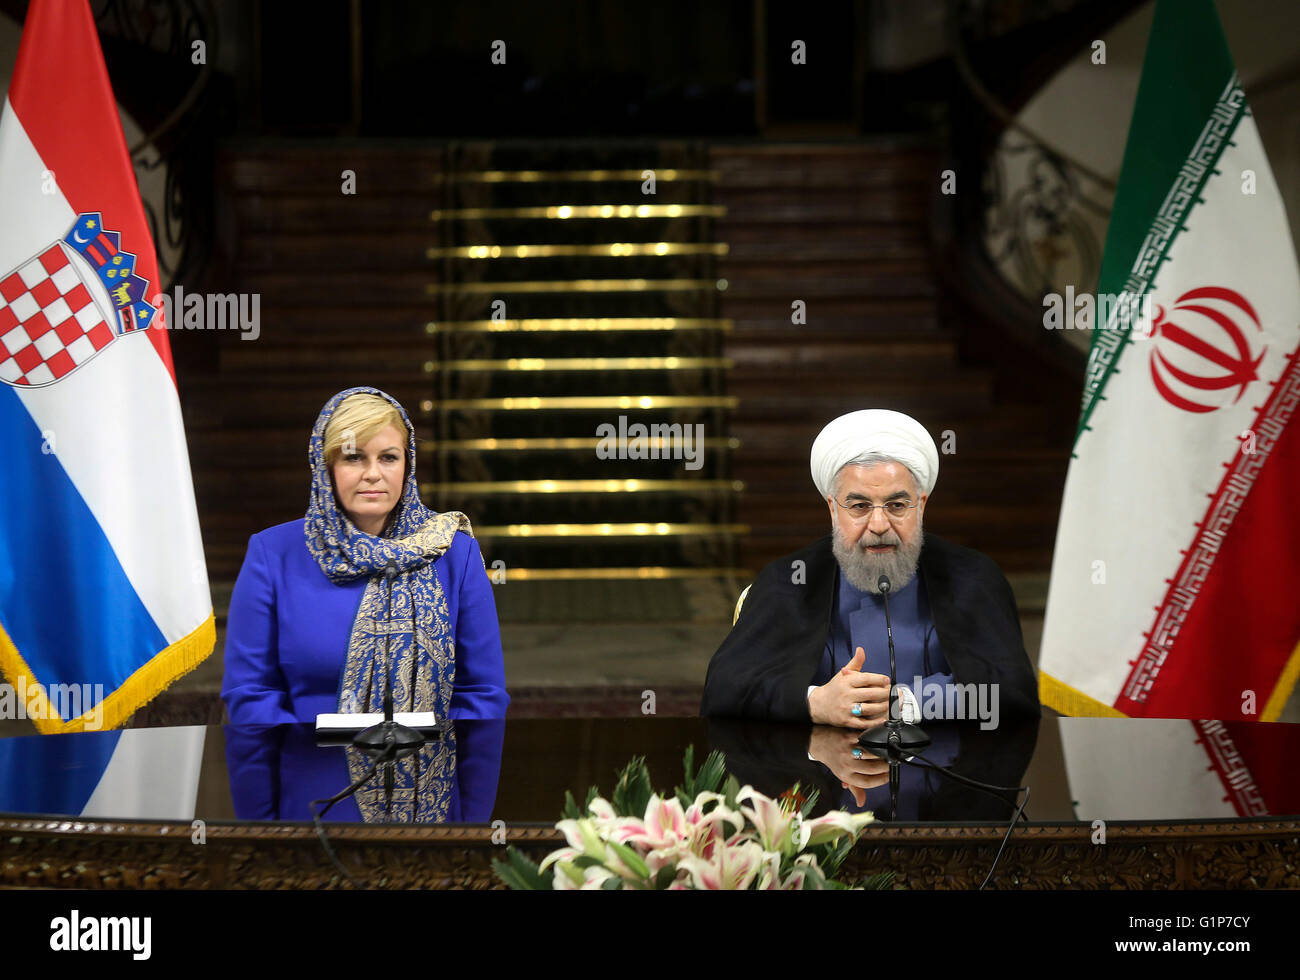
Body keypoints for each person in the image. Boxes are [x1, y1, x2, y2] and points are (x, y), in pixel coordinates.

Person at [701, 409, 1039, 726]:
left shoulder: (972, 577)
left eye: (896, 505)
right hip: (824, 777)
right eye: (859, 506)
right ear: (833, 509)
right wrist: (815, 702)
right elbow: (724, 690)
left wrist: (908, 702)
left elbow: (1015, 693)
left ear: (920, 506)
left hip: (944, 777)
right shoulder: (790, 579)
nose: (879, 524)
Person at [221, 386, 509, 726]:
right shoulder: (273, 554)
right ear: (325, 465)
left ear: (408, 463)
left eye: (388, 457)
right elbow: (250, 695)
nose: (373, 473)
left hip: (432, 774)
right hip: (312, 770)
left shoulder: (453, 552)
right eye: (354, 457)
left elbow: (481, 694)